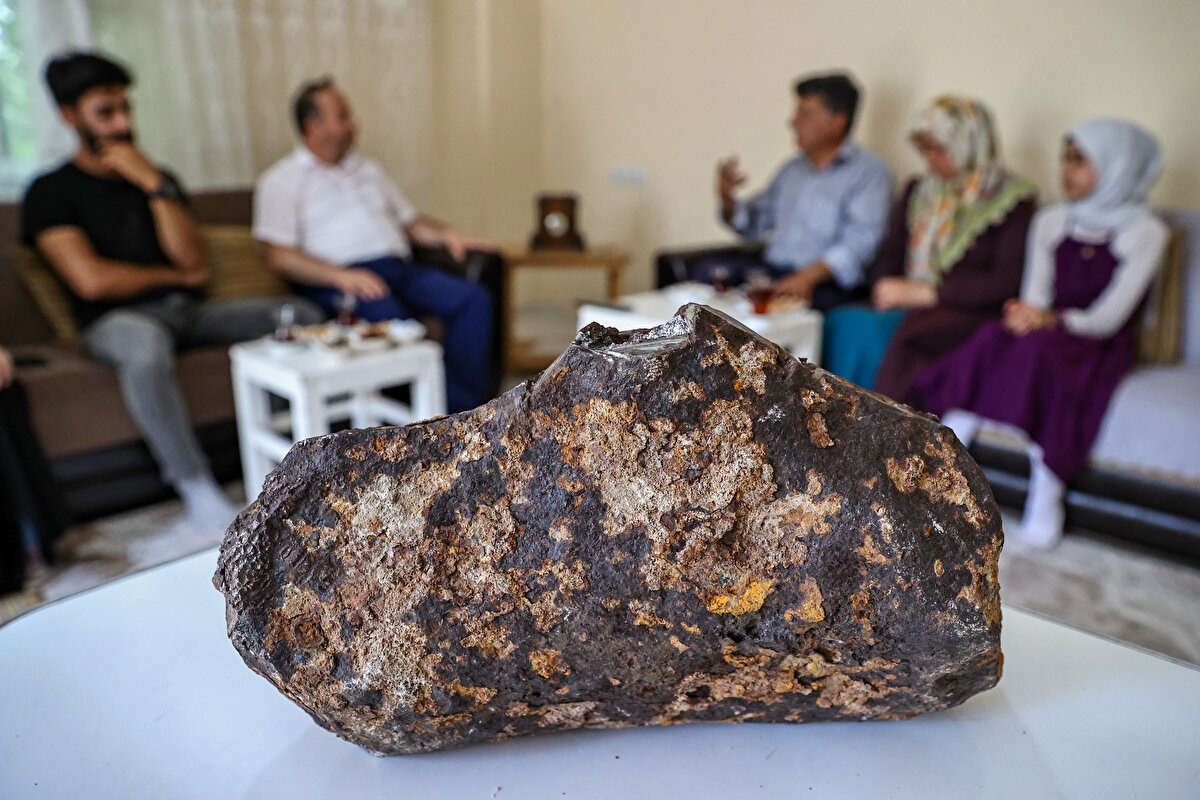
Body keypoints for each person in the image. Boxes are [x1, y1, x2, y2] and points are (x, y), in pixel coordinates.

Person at [20, 52, 323, 531]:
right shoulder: (49, 193)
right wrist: (175, 279)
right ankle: (197, 489)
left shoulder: (157, 179)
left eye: (126, 109)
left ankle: (303, 455)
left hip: (187, 311)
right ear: (68, 115)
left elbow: (193, 265)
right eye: (106, 112)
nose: (122, 124)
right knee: (144, 347)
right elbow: (91, 281)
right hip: (112, 322)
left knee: (298, 311)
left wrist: (153, 186)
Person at [913, 119, 1169, 548]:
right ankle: (943, 460)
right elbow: (1035, 295)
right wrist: (1025, 315)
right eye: (1064, 158)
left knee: (1042, 355)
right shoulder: (1052, 220)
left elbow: (1108, 318)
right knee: (990, 338)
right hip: (1045, 328)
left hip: (1096, 341)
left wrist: (1048, 320)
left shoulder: (1147, 233)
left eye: (1080, 161)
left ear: (1118, 166)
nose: (1065, 170)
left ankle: (1047, 489)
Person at [254, 77, 497, 413]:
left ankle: (473, 411)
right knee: (392, 321)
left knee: (473, 299)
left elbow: (410, 222)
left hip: (400, 270)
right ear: (313, 126)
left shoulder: (368, 170)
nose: (354, 124)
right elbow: (279, 256)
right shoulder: (281, 181)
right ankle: (452, 417)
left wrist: (447, 235)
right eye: (343, 116)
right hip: (341, 281)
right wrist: (340, 276)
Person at [823, 96, 1036, 394]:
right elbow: (890, 254)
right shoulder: (920, 191)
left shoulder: (1012, 202)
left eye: (939, 149)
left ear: (969, 145)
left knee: (890, 336)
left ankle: (877, 431)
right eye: (925, 149)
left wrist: (930, 294)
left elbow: (1007, 281)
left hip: (965, 310)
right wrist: (886, 286)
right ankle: (824, 422)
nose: (930, 159)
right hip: (905, 301)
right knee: (840, 322)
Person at [709, 72, 893, 311]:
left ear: (837, 121)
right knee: (706, 272)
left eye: (805, 114)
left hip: (825, 283)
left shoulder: (869, 173)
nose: (793, 122)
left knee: (784, 308)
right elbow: (755, 222)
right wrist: (727, 200)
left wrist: (807, 277)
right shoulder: (792, 170)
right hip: (774, 271)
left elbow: (861, 242)